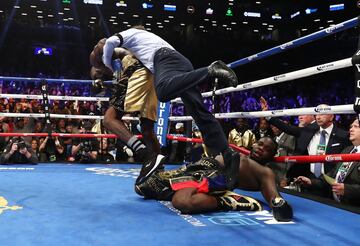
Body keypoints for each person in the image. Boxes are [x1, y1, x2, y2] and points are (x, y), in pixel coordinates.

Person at [96, 26, 240, 187]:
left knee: (163, 92)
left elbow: (110, 42)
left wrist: (108, 65)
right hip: (182, 63)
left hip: (164, 59)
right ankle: (228, 156)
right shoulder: (147, 41)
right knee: (200, 114)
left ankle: (210, 70)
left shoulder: (132, 34)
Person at [135, 137, 293, 222]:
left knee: (182, 202)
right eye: (259, 143)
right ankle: (171, 186)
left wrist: (279, 205)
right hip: (200, 165)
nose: (260, 148)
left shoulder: (265, 171)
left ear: (271, 156)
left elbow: (274, 197)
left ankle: (227, 201)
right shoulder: (240, 155)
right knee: (144, 188)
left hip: (214, 177)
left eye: (267, 149)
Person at [90, 40, 161, 173]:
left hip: (135, 71)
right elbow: (97, 72)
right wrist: (99, 79)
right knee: (147, 128)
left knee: (109, 119)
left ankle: (142, 151)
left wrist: (98, 58)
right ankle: (158, 166)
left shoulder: (120, 53)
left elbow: (99, 49)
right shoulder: (118, 65)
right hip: (154, 75)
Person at [260, 97, 351, 184]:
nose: (318, 117)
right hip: (309, 179)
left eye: (322, 114)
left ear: (331, 117)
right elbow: (287, 128)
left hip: (331, 181)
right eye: (317, 114)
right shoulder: (309, 130)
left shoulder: (342, 135)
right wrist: (267, 115)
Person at [294, 119, 360, 206]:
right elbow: (332, 175)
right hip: (336, 205)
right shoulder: (347, 150)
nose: (351, 129)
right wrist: (311, 181)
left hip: (355, 208)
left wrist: (347, 189)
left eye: (356, 127)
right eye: (351, 126)